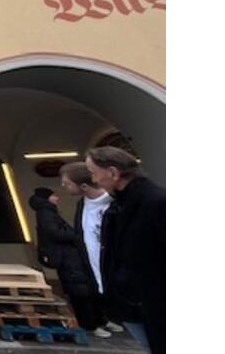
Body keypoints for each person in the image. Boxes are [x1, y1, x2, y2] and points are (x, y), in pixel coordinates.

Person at [86, 146, 165, 354]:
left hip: (155, 303)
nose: (94, 180)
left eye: (94, 173)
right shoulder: (119, 206)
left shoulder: (157, 203)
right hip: (131, 303)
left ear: (113, 173)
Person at [28, 187, 108, 337]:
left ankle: (96, 321)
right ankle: (90, 324)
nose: (57, 197)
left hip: (66, 256)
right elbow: (53, 232)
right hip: (66, 256)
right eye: (54, 195)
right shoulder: (46, 213)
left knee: (82, 289)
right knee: (80, 290)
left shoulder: (48, 212)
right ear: (48, 198)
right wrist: (76, 235)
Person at [60, 162, 125, 336]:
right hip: (90, 263)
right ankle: (100, 320)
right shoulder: (81, 205)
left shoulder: (114, 203)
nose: (63, 187)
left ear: (83, 185)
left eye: (67, 183)